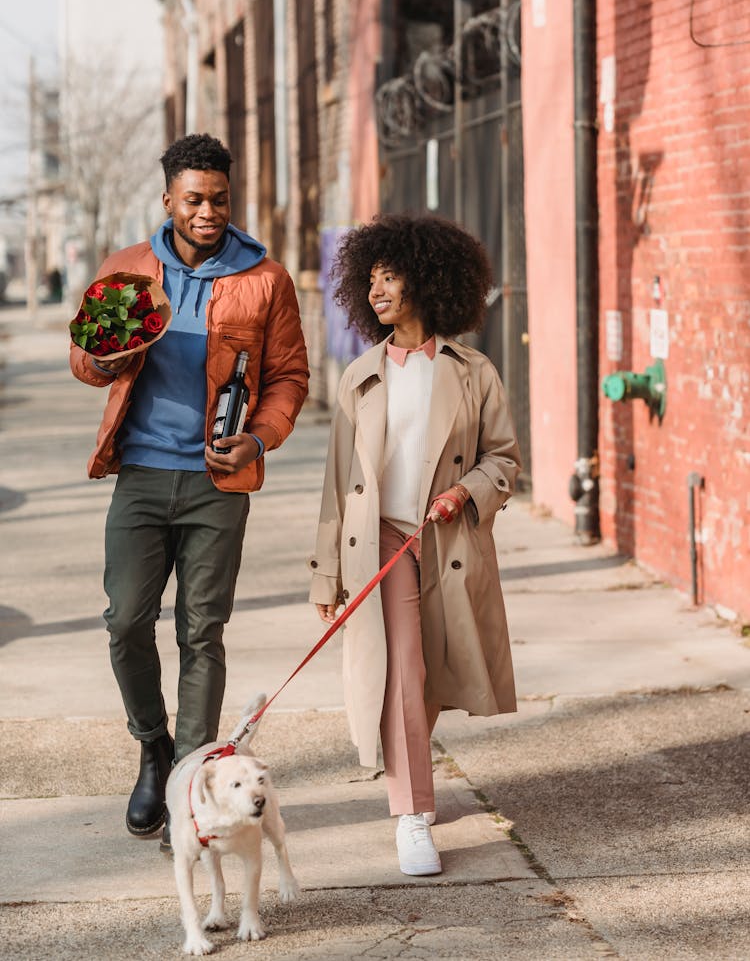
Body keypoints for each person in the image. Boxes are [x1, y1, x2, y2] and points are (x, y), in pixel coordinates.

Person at [70, 132, 309, 848]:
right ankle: (153, 743)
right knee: (124, 622)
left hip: (218, 481)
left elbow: (291, 376)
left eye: (220, 199)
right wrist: (107, 350)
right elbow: (84, 361)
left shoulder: (264, 277)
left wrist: (259, 437)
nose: (208, 211)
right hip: (141, 473)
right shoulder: (127, 268)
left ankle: (191, 774)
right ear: (169, 198)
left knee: (201, 630)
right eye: (194, 198)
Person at [309, 213, 521, 877]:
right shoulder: (359, 377)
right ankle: (411, 814)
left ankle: (411, 777)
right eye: (369, 279)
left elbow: (505, 459)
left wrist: (467, 492)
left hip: (448, 539)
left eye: (390, 276)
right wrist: (326, 575)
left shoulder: (473, 371)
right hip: (383, 542)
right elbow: (337, 483)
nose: (377, 290)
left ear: (427, 282)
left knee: (426, 672)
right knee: (401, 669)